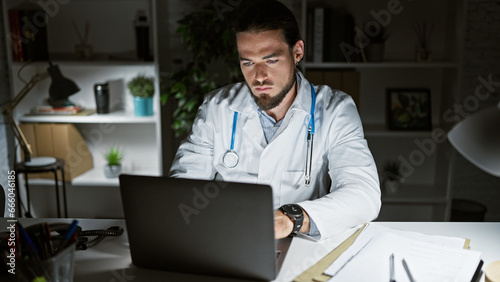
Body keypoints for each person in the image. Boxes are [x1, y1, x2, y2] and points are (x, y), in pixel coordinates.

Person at [169, 0, 381, 240]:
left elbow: (364, 195)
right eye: (248, 62)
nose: (259, 77)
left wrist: (291, 218)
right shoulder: (216, 108)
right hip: (228, 240)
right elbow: (183, 190)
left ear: (297, 52)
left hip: (302, 246)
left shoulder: (335, 109)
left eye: (271, 60)